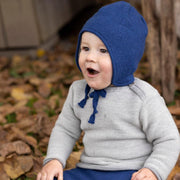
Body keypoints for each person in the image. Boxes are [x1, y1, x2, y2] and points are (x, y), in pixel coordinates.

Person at [37, 1, 180, 180]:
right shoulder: (78, 91)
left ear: (124, 59)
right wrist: (55, 160)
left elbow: (168, 139)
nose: (90, 57)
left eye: (103, 51)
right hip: (87, 171)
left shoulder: (143, 98)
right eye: (85, 48)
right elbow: (65, 129)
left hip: (131, 172)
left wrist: (152, 171)